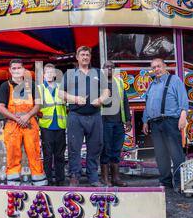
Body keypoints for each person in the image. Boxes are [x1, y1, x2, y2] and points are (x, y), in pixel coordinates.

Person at [58, 46, 110, 187]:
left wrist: (100, 100)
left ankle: (93, 177)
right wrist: (75, 99)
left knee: (95, 147)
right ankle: (74, 176)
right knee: (74, 147)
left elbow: (106, 91)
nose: (85, 57)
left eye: (87, 54)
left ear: (90, 57)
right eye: (82, 55)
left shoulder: (98, 73)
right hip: (76, 116)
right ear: (77, 57)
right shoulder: (69, 74)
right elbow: (60, 93)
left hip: (95, 116)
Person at [0, 59, 48, 186]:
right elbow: (0, 107)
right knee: (13, 154)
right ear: (10, 70)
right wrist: (17, 118)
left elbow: (38, 104)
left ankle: (39, 181)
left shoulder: (32, 85)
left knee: (34, 152)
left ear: (24, 69)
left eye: (19, 68)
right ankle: (13, 183)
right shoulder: (5, 86)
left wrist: (27, 116)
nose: (16, 70)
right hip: (12, 124)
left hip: (30, 123)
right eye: (14, 68)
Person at [142, 58, 189, 191]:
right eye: (153, 68)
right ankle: (165, 182)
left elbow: (183, 99)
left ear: (165, 66)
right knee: (160, 154)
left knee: (176, 153)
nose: (156, 69)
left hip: (170, 121)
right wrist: (145, 120)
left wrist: (183, 116)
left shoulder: (174, 80)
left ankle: (180, 183)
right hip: (155, 123)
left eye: (158, 66)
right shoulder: (152, 84)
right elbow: (148, 103)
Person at [101, 61, 131, 187]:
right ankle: (104, 178)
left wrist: (128, 120)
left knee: (116, 150)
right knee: (105, 150)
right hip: (104, 122)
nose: (109, 68)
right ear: (103, 69)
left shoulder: (119, 82)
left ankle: (115, 178)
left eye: (112, 67)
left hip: (118, 122)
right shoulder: (98, 83)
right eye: (107, 67)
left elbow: (125, 101)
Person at [37, 63, 67, 186]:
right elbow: (35, 107)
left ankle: (60, 180)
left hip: (60, 125)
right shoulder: (39, 88)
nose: (49, 74)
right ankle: (48, 180)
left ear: (55, 74)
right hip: (46, 126)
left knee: (60, 155)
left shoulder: (61, 88)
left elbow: (67, 105)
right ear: (44, 74)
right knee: (48, 155)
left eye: (51, 72)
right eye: (47, 72)